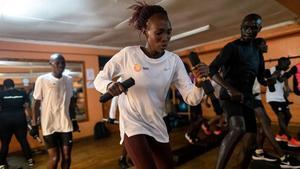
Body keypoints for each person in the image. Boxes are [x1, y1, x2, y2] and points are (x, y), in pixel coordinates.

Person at [93, 2, 208, 169]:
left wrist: (198, 83)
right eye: (159, 33)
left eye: (169, 32)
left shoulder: (173, 61)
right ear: (145, 32)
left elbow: (192, 99)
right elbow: (99, 79)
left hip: (156, 122)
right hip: (133, 123)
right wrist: (110, 85)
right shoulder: (128, 54)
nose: (165, 38)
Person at [209, 13, 266, 169]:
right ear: (241, 27)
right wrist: (230, 89)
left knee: (251, 140)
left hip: (246, 98)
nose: (248, 30)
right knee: (238, 128)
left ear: (259, 29)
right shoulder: (232, 48)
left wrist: (271, 79)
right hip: (229, 96)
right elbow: (211, 70)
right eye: (245, 27)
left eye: (253, 27)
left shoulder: (257, 53)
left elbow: (261, 78)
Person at [30, 53, 80, 169]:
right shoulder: (42, 79)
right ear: (51, 64)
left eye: (63, 62)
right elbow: (36, 104)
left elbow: (70, 102)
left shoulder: (68, 79)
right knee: (55, 158)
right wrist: (34, 125)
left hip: (65, 124)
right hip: (49, 125)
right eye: (58, 63)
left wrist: (74, 119)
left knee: (67, 157)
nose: (61, 65)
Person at [266, 57, 300, 147]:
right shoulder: (272, 70)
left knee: (288, 116)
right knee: (281, 116)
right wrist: (274, 77)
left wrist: (286, 93)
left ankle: (281, 135)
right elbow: (270, 85)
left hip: (281, 98)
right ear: (281, 63)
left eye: (289, 64)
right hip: (273, 98)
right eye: (287, 64)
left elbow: (284, 85)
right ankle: (290, 139)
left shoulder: (283, 72)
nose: (288, 66)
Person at [0, 79, 34, 169]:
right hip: (20, 119)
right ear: (13, 85)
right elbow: (27, 107)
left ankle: (2, 164)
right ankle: (30, 161)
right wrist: (30, 119)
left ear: (5, 86)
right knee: (23, 140)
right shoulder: (22, 93)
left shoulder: (1, 94)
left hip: (5, 121)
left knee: (5, 143)